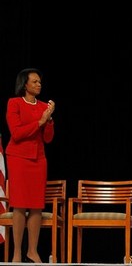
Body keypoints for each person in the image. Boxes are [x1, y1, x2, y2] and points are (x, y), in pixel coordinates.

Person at [5, 68, 55, 263]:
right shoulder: (14, 103)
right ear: (24, 84)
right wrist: (40, 121)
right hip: (18, 157)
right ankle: (17, 252)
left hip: (38, 159)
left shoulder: (44, 106)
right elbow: (16, 133)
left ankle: (32, 251)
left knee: (36, 206)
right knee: (19, 204)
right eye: (34, 81)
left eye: (39, 82)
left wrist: (49, 120)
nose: (38, 84)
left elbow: (48, 139)